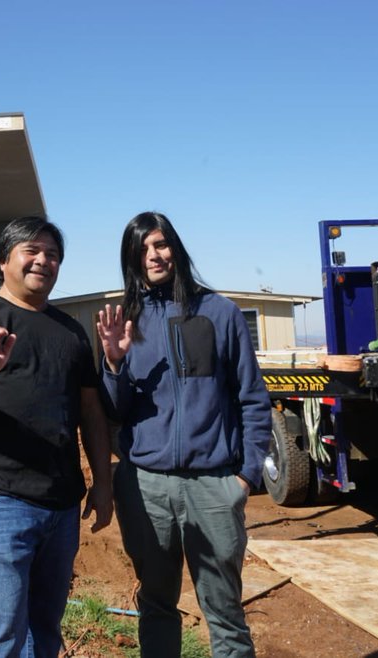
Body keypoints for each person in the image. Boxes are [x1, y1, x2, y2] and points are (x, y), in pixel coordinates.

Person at [0, 215, 113, 658]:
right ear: (3, 261)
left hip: (61, 502)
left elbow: (90, 412)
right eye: (31, 252)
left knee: (45, 630)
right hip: (0, 500)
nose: (43, 261)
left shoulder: (71, 331)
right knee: (2, 631)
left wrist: (104, 484)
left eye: (52, 255)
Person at [95, 211, 270, 658]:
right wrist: (114, 363)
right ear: (131, 259)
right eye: (141, 249)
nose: (152, 255)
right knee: (156, 605)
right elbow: (115, 412)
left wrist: (245, 477)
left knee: (225, 611)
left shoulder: (220, 312)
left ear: (175, 247)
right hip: (146, 487)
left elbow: (251, 397)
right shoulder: (128, 321)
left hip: (214, 484)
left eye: (159, 244)